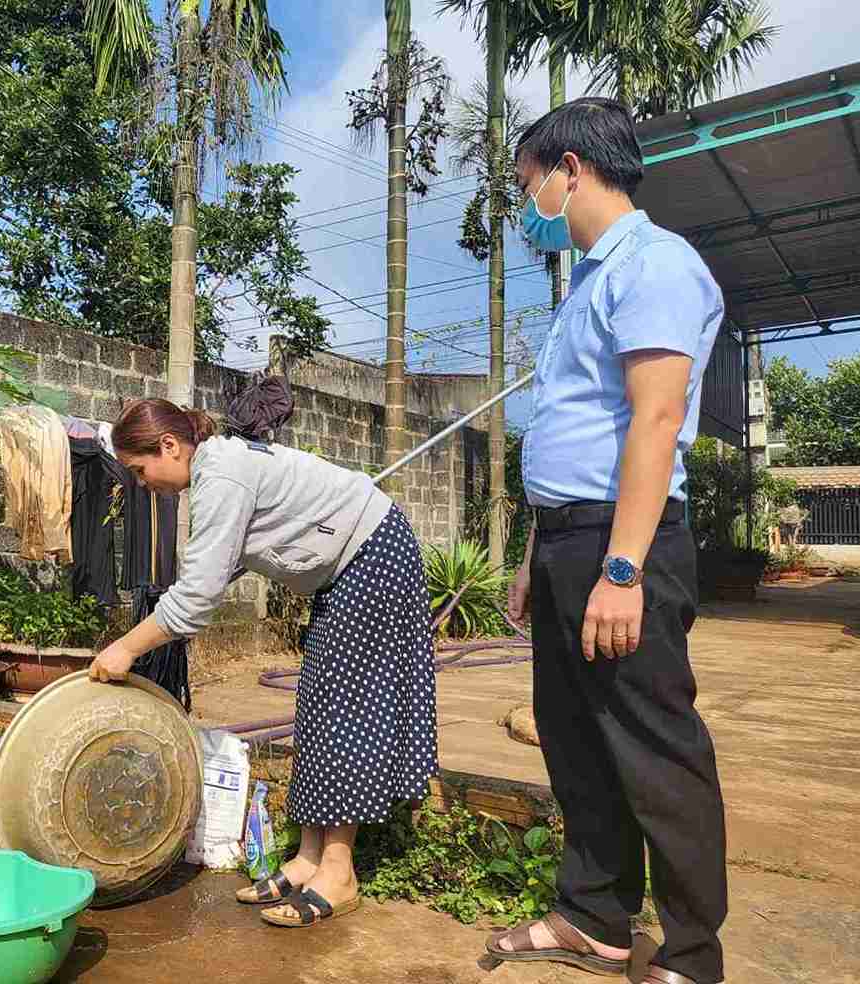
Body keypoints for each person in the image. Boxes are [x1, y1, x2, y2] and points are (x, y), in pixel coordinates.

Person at [489, 98, 728, 984]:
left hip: (625, 540)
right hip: (568, 535)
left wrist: (622, 568)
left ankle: (695, 955)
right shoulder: (587, 279)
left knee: (653, 745)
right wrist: (531, 556)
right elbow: (569, 431)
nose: (529, 203)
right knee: (574, 736)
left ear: (570, 170)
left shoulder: (658, 266)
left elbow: (655, 421)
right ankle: (595, 918)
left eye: (529, 184)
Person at [89, 398, 437, 928]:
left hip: (372, 558)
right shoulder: (214, 472)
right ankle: (308, 859)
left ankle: (339, 872)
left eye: (139, 470)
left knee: (347, 711)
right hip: (347, 568)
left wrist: (126, 647)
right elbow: (208, 574)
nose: (141, 483)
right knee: (318, 707)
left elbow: (197, 598)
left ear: (169, 446)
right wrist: (165, 613)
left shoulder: (222, 475)